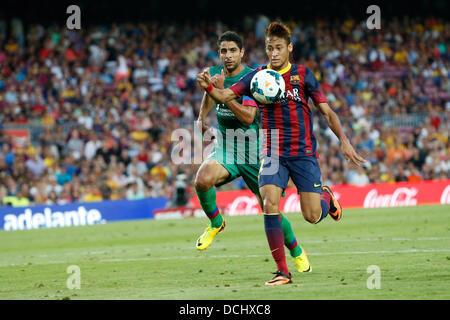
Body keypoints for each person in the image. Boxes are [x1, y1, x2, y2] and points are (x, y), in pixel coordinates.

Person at [197, 22, 365, 286]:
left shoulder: (303, 75)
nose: (273, 53)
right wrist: (208, 87)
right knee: (269, 205)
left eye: (278, 48)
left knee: (311, 216)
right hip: (272, 151)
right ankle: (282, 272)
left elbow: (327, 111)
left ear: (289, 48)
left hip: (302, 152)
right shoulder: (257, 77)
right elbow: (226, 94)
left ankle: (325, 197)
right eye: (269, 48)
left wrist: (344, 140)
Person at [194, 31, 311, 273]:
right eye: (224, 51)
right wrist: (201, 117)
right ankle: (216, 223)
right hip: (227, 147)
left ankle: (296, 250)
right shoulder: (214, 74)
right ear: (219, 54)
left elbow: (248, 118)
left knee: (271, 210)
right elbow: (209, 95)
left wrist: (221, 95)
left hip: (255, 152)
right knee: (202, 180)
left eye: (233, 51)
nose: (228, 56)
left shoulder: (254, 78)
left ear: (242, 53)